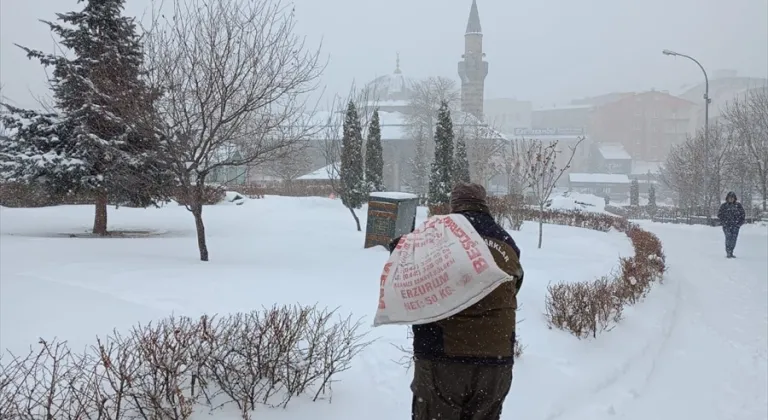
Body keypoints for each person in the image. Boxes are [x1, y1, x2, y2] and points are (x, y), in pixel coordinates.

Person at [388, 182, 523, 420]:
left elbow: (404, 260)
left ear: (455, 205)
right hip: (496, 360)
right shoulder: (508, 242)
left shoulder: (437, 234)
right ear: (483, 204)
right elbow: (514, 286)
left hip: (443, 357)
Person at [717, 191, 746, 258]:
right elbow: (719, 215)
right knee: (728, 238)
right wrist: (724, 222)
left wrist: (739, 224)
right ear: (727, 198)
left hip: (735, 226)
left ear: (734, 198)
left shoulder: (738, 206)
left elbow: (743, 215)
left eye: (732, 198)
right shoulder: (724, 206)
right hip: (726, 226)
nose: (731, 199)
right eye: (730, 198)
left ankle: (731, 251)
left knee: (734, 239)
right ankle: (728, 252)